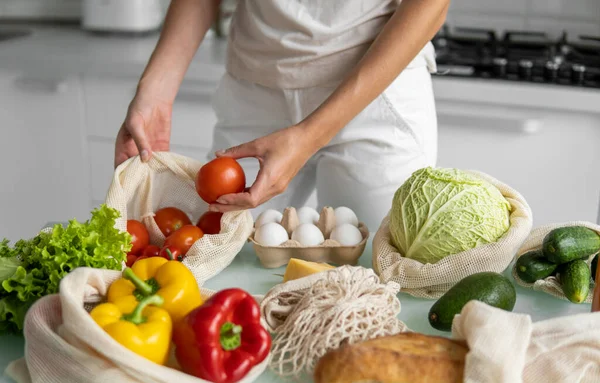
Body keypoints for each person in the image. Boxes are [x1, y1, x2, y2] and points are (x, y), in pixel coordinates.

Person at [114, 0, 448, 230]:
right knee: (223, 260)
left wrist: (310, 135)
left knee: (379, 272)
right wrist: (156, 90)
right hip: (254, 91)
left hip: (374, 95)